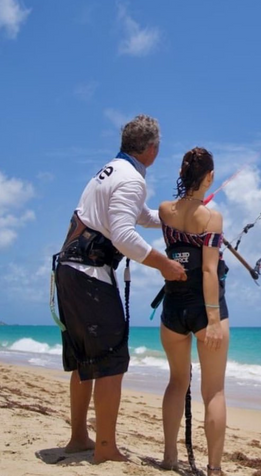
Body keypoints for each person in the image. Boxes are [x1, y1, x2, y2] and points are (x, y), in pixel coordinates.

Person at [53, 114, 187, 464]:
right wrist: (166, 265)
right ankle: (106, 448)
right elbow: (124, 236)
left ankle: (80, 437)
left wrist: (174, 216)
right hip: (89, 276)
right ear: (153, 150)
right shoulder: (131, 180)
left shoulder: (111, 170)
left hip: (68, 271)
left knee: (85, 360)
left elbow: (135, 215)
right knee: (111, 361)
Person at [158, 147, 229, 476]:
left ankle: (170, 457)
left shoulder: (164, 211)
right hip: (204, 310)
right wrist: (213, 320)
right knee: (213, 390)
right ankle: (214, 469)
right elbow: (208, 271)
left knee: (176, 381)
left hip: (173, 307)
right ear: (210, 176)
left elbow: (181, 231)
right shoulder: (212, 217)